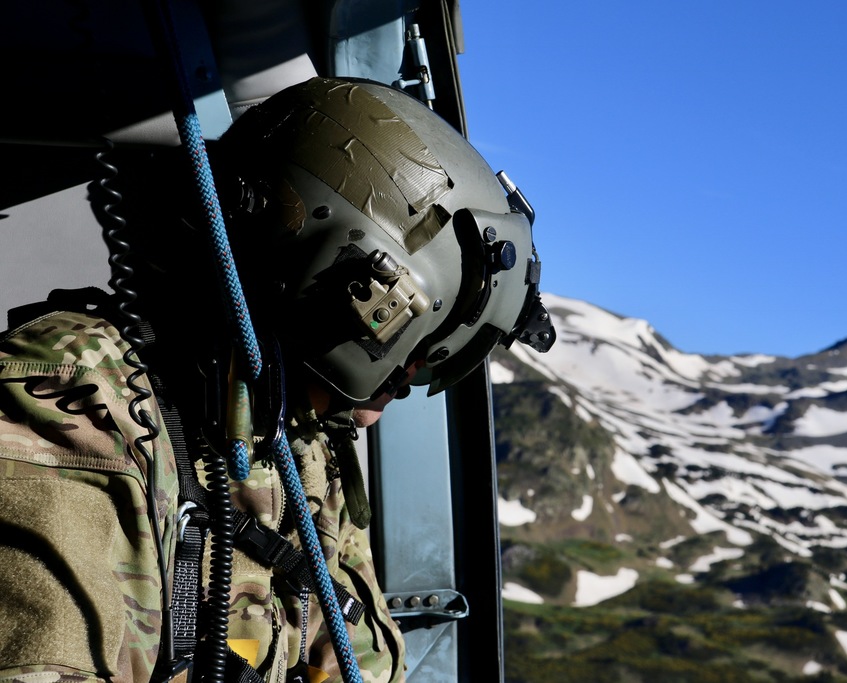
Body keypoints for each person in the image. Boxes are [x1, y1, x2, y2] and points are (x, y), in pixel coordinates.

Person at [0, 77, 555, 683]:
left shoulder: (297, 435)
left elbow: (354, 654)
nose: (371, 414)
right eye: (397, 362)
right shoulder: (71, 411)